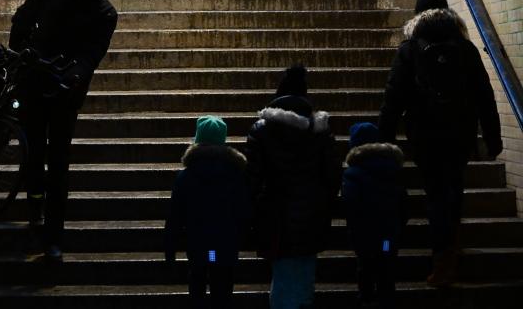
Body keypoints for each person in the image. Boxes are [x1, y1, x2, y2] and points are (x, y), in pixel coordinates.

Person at [378, 1, 502, 286]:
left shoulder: (409, 50)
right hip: (460, 133)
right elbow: (485, 95)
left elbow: (393, 98)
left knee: (434, 193)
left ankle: (441, 259)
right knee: (454, 187)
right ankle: (451, 251)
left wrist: (384, 139)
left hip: (425, 135)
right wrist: (492, 137)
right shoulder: (466, 48)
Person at [9, 0, 118, 261]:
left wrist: (73, 76)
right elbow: (22, 20)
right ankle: (34, 213)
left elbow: (92, 54)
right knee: (32, 155)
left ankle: (54, 235)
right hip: (33, 85)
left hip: (66, 94)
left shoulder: (105, 12)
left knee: (58, 163)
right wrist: (23, 51)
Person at [245, 65, 341, 309]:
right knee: (305, 276)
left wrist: (251, 210)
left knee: (283, 277)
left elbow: (253, 178)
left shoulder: (262, 130)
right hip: (312, 214)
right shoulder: (321, 131)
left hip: (276, 215)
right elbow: (333, 176)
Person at [164, 115, 250, 309]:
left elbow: (175, 214)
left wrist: (170, 248)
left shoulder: (186, 176)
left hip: (199, 243)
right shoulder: (236, 174)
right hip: (225, 243)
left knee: (198, 283)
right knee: (222, 286)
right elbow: (244, 210)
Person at [342, 122, 408, 309]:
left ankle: (367, 299)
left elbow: (351, 206)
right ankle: (387, 299)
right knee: (386, 265)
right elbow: (403, 202)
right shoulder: (393, 169)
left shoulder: (352, 174)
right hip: (388, 235)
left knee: (365, 267)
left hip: (364, 237)